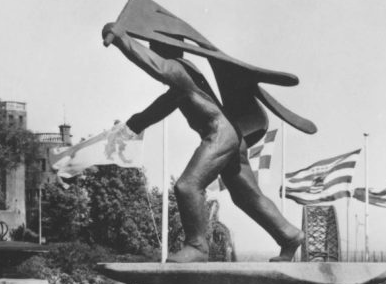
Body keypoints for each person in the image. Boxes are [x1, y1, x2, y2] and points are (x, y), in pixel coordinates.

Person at [102, 22, 304, 263]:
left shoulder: (177, 68)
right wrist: (137, 123)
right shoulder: (184, 77)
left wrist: (122, 38)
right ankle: (289, 235)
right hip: (232, 136)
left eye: (153, 47)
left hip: (220, 135)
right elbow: (165, 104)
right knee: (246, 196)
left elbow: (156, 66)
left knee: (188, 186)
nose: (152, 51)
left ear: (162, 48)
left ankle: (197, 246)